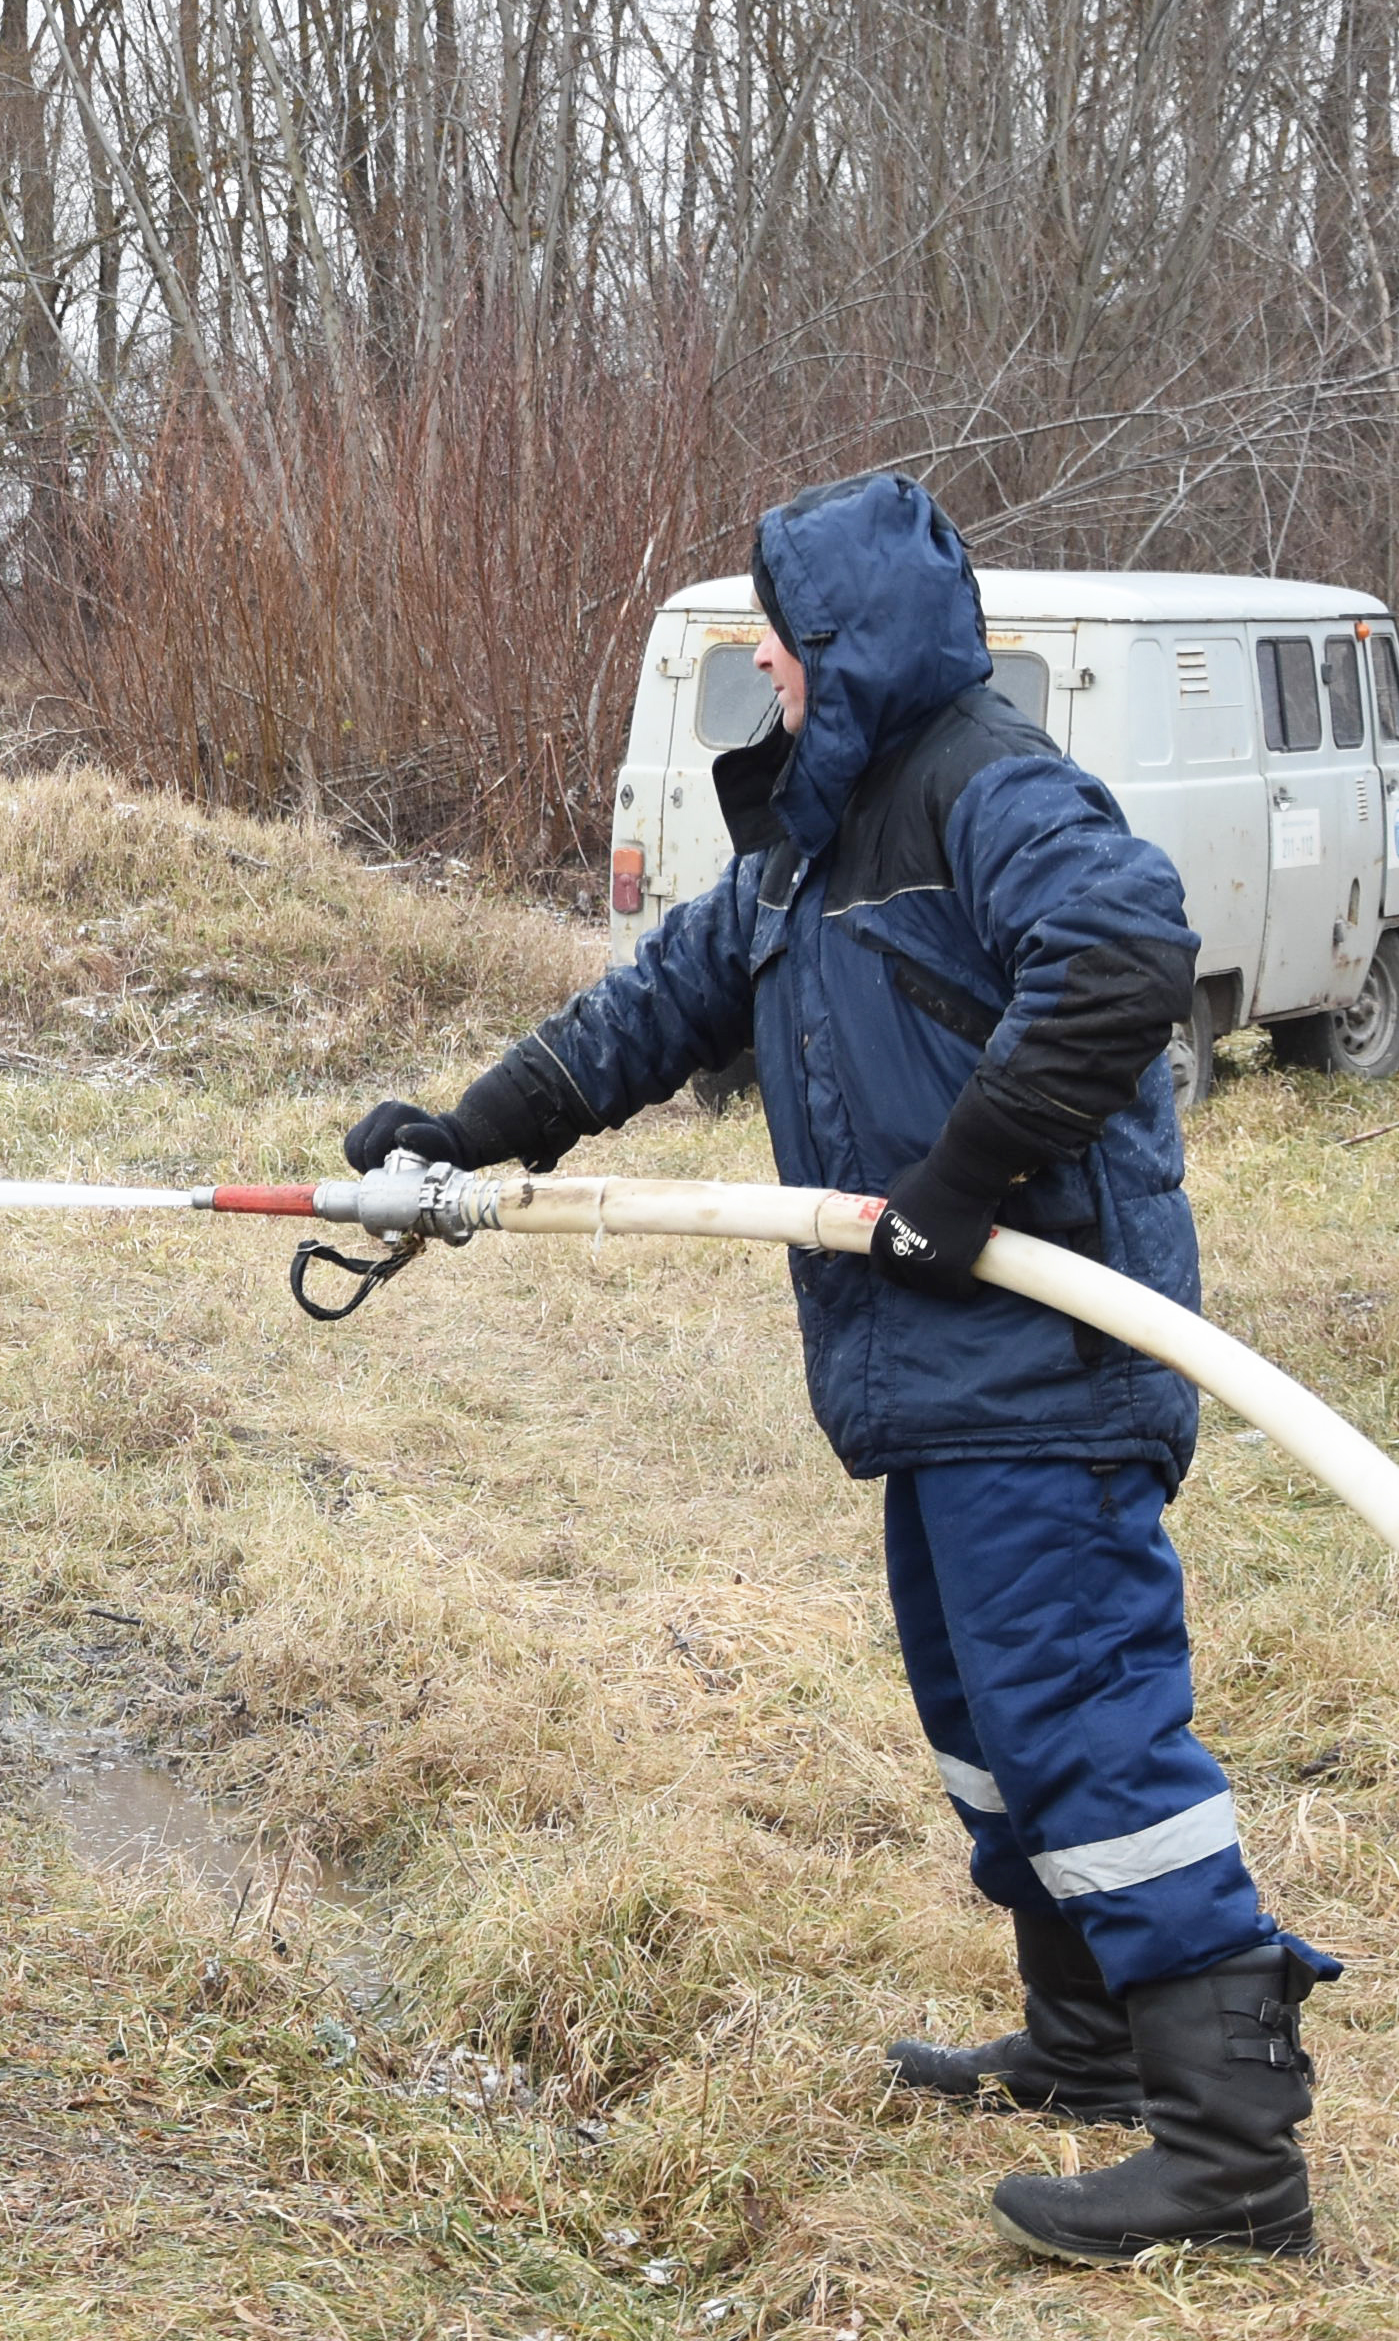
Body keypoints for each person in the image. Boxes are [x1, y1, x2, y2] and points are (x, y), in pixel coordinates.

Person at [345, 471, 1336, 2265]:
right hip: (935, 1386)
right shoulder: (814, 841)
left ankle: (1236, 2146)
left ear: (847, 649)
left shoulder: (990, 789)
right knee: (987, 1725)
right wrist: (467, 1137)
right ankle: (1091, 2039)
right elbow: (651, 1011)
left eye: (780, 648)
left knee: (1089, 1723)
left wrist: (961, 1188)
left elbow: (1124, 955)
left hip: (1049, 1360)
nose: (763, 678)